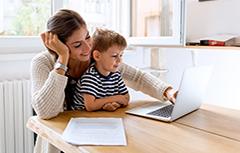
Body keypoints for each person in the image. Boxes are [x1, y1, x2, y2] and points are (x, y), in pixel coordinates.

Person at [31, 9, 177, 153]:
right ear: (59, 46)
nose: (88, 47)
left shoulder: (96, 56)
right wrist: (62, 59)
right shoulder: (43, 62)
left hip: (94, 137)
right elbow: (45, 112)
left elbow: (137, 77)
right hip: (58, 145)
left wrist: (168, 92)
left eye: (87, 37)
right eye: (77, 45)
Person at [72, 28, 129, 112]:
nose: (119, 60)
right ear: (97, 56)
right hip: (80, 117)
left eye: (121, 55)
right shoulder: (90, 77)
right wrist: (116, 98)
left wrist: (115, 104)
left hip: (100, 116)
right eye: (114, 56)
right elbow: (90, 106)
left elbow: (126, 98)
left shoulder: (116, 75)